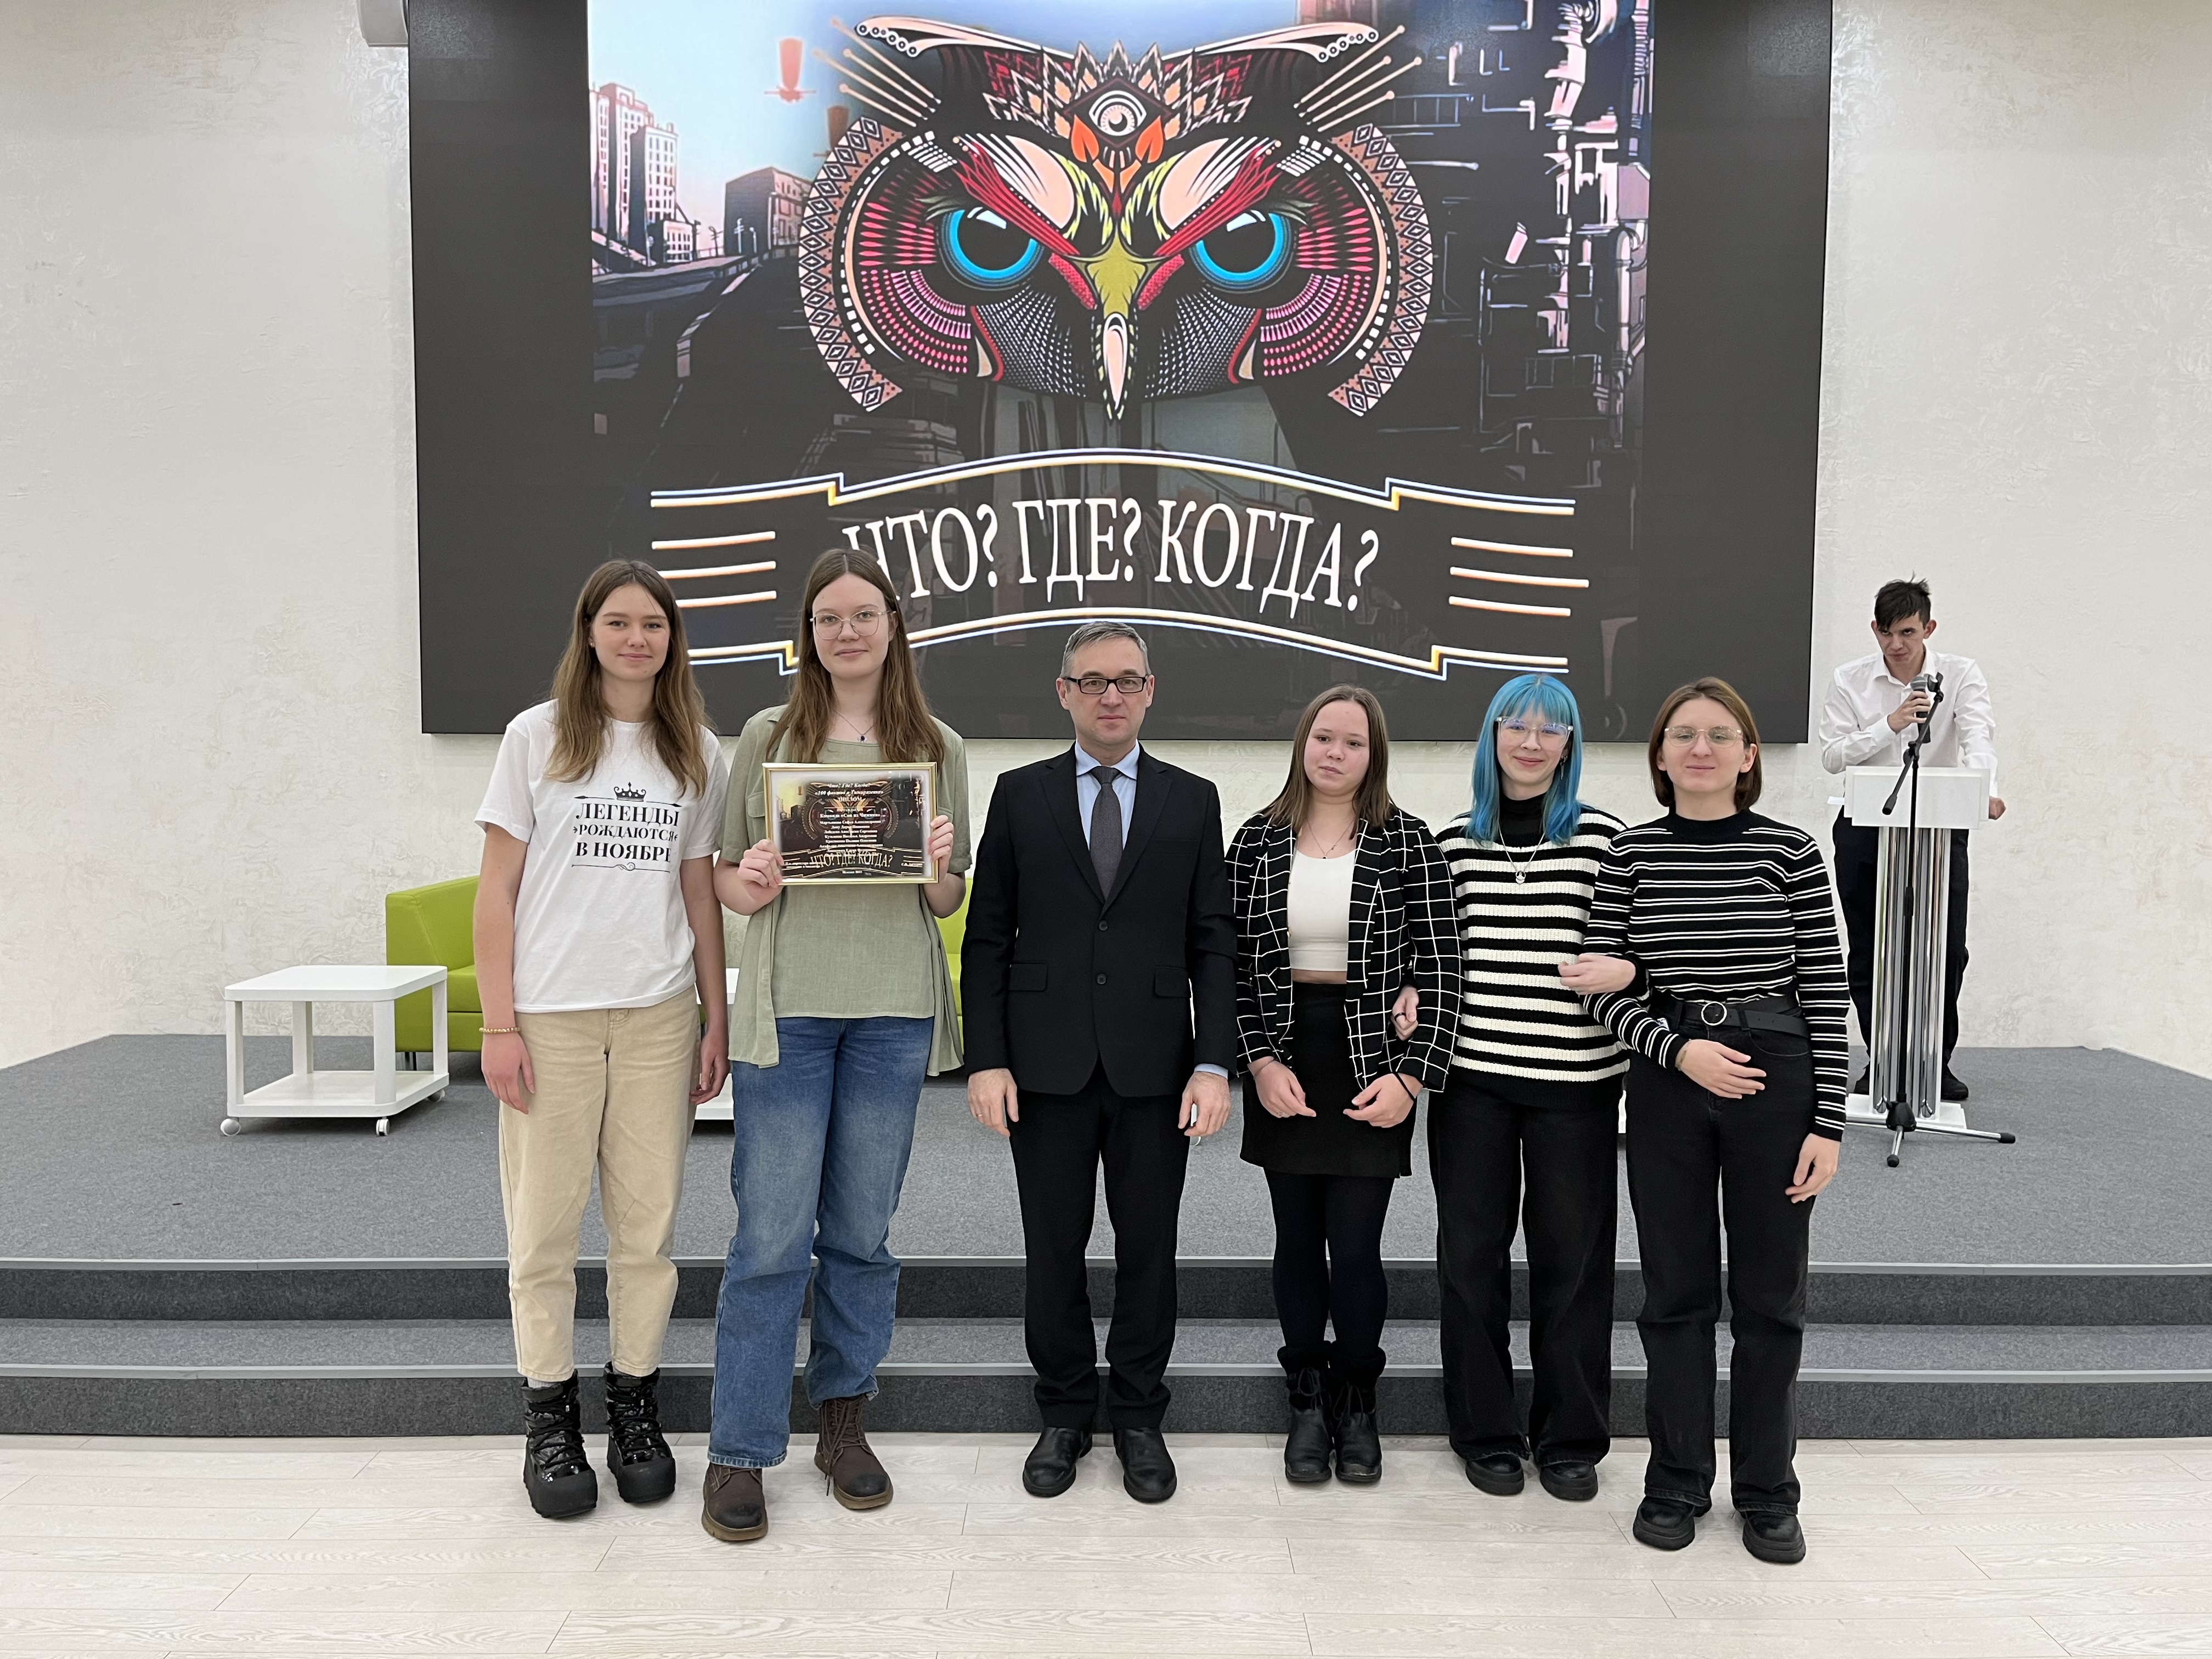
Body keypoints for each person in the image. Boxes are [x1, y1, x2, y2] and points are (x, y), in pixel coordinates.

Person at [702, 549, 969, 1544]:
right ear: (807, 635)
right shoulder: (768, 736)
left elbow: (946, 899)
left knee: (862, 1231)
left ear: (893, 625)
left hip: (893, 1011)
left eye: (863, 614)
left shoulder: (936, 745)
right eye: (828, 618)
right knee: (770, 1236)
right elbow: (723, 877)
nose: (846, 631)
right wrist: (751, 878)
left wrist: (938, 866)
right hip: (790, 1010)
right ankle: (739, 1447)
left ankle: (843, 1421)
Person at [473, 558, 731, 1520]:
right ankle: (550, 1417)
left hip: (658, 1014)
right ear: (589, 632)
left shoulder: (695, 749)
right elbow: (496, 890)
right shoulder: (535, 737)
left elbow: (698, 890)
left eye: (652, 624)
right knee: (542, 1228)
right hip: (552, 1016)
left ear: (672, 639)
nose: (636, 638)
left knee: (646, 1229)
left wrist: (714, 1013)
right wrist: (499, 1022)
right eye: (618, 622)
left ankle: (634, 1407)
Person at [962, 621, 1237, 1505]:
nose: (1110, 695)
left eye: (1126, 680)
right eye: (1092, 681)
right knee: (1054, 1248)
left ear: (1151, 692)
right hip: (1043, 1069)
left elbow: (1213, 943)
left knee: (1150, 1248)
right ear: (1064, 692)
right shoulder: (1019, 794)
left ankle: (1140, 1417)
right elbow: (987, 936)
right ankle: (1066, 1412)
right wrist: (986, 1060)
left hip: (1156, 1069)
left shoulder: (1193, 800)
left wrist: (1214, 1063)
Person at [1579, 678, 1848, 1566]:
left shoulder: (1790, 852)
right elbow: (1599, 988)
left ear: (1747, 755)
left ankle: (1768, 1491)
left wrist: (1828, 1123)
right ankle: (1676, 1479)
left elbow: (1825, 989)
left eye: (1719, 734)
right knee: (1675, 1294)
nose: (1701, 748)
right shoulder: (1629, 854)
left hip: (1777, 1079)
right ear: (1659, 755)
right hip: (1669, 1082)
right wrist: (1676, 1048)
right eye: (1683, 734)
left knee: (1771, 1298)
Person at [1227, 686, 1458, 1486]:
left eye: (1353, 743)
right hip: (1287, 1055)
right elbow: (1231, 969)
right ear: (1302, 743)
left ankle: (1357, 1400)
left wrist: (1414, 1077)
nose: (1335, 753)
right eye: (1323, 737)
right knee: (1296, 1240)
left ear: (1374, 755)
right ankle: (1304, 1397)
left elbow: (1444, 966)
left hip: (1373, 1061)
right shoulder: (1257, 839)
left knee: (1356, 1245)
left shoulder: (1409, 842)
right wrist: (1258, 1062)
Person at [1429, 674, 1633, 1504]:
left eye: (1551, 730)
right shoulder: (1452, 844)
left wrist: (1627, 968)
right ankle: (1484, 1432)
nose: (1531, 742)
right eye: (1515, 726)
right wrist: (1410, 991)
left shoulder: (1605, 841)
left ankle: (1570, 1437)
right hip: (1472, 1084)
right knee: (1470, 1260)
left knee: (1573, 1265)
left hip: (1576, 1086)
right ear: (1492, 737)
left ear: (1570, 744)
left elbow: (1638, 948)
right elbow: (1432, 957)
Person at [1819, 578, 2001, 1102]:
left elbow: (1978, 737)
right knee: (1871, 948)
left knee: (1946, 949)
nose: (1895, 644)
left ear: (1928, 628)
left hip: (1940, 826)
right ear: (1874, 630)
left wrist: (1987, 790)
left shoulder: (1960, 674)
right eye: (1886, 633)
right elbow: (1832, 756)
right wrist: (1890, 724)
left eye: (1907, 633)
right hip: (1866, 825)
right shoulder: (1850, 679)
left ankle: (1933, 1063)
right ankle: (1882, 1058)